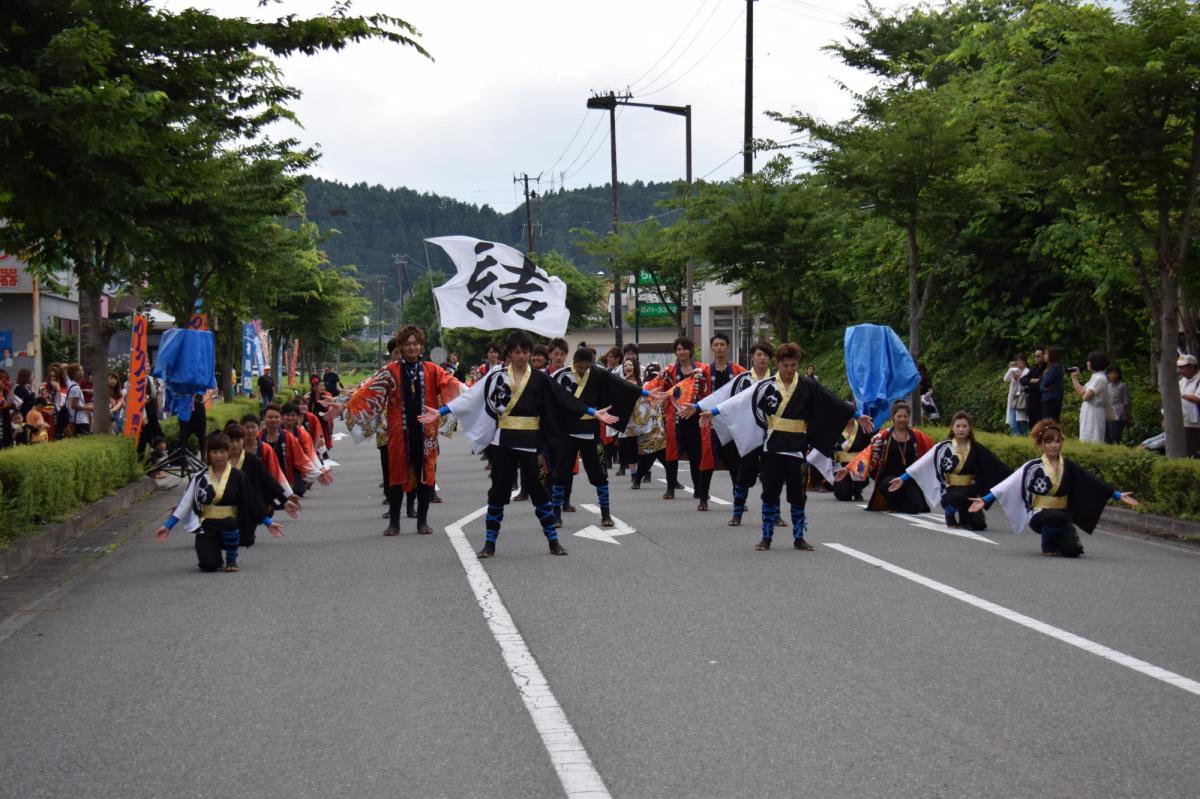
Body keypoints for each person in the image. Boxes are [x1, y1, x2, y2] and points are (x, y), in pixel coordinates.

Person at [420, 330, 618, 558]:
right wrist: (442, 411)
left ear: (530, 353)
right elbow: (471, 396)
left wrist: (592, 412)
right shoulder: (497, 376)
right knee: (497, 493)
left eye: (525, 351)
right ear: (509, 353)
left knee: (540, 493)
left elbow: (564, 398)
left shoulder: (539, 378)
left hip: (531, 442)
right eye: (517, 352)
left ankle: (553, 542)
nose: (521, 356)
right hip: (503, 440)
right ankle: (489, 544)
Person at [703, 342, 873, 552]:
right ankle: (766, 537)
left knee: (798, 494)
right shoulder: (767, 385)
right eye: (785, 366)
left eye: (793, 365)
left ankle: (799, 537)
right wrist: (713, 411)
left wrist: (857, 415)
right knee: (770, 492)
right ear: (778, 364)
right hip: (772, 446)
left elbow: (832, 400)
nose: (790, 369)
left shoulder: (807, 385)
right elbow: (739, 400)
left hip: (797, 445)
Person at [345, 325, 462, 536]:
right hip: (399, 432)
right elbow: (367, 390)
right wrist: (342, 404)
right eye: (407, 344)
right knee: (396, 476)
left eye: (416, 343)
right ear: (400, 346)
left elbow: (453, 385)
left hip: (426, 432)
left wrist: (473, 394)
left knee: (426, 475)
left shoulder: (432, 369)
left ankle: (422, 521)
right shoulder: (390, 371)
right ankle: (394, 522)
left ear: (421, 346)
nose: (412, 347)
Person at [970, 419, 1139, 557]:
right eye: (1049, 441)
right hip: (1039, 514)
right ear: (1041, 444)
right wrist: (985, 500)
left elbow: (1091, 482)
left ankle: (1058, 537)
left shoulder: (1068, 466)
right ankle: (1047, 542)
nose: (1054, 445)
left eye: (1057, 441)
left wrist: (1117, 495)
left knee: (1072, 551)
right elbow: (1008, 484)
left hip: (1062, 513)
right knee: (1053, 517)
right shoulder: (1033, 466)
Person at [549, 347, 652, 528]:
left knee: (600, 473)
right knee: (561, 473)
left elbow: (619, 384)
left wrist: (645, 393)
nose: (583, 370)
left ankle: (606, 514)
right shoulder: (560, 375)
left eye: (586, 367)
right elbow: (560, 400)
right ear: (574, 362)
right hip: (567, 431)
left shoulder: (597, 372)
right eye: (580, 367)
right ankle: (556, 514)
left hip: (590, 430)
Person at [155, 431, 285, 572]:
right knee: (208, 565)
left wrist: (268, 523)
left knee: (229, 523)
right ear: (208, 453)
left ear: (228, 453)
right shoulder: (199, 476)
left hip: (230, 523)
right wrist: (167, 526)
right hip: (207, 524)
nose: (218, 456)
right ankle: (214, 555)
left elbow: (252, 500)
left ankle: (231, 558)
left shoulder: (238, 476)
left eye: (222, 452)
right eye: (214, 452)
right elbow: (185, 502)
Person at [696, 339, 774, 526]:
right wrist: (700, 407)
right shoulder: (743, 378)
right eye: (758, 354)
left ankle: (774, 513)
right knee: (742, 473)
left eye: (765, 355)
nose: (762, 358)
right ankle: (736, 512)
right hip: (746, 432)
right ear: (752, 357)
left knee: (772, 475)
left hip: (771, 433)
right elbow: (726, 399)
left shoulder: (775, 380)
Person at [889, 411, 1010, 530]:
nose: (961, 429)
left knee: (977, 525)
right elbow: (921, 464)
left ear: (969, 429)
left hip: (970, 490)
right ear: (952, 428)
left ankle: (964, 516)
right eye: (958, 426)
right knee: (957, 497)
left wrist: (1013, 480)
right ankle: (949, 513)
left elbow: (995, 466)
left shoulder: (976, 448)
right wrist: (902, 478)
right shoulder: (943, 447)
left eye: (964, 426)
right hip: (950, 489)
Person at [646, 337, 715, 510]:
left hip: (696, 416)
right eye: (678, 349)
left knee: (696, 453)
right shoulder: (669, 370)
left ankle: (698, 489)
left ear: (691, 350)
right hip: (674, 417)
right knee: (671, 452)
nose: (682, 352)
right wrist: (651, 394)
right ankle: (670, 488)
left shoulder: (702, 370)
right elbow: (654, 386)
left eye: (685, 348)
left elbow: (709, 392)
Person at [844, 400, 934, 514]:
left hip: (908, 477)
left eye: (905, 416)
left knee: (915, 508)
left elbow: (933, 452)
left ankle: (904, 502)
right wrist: (847, 468)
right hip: (888, 478)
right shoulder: (883, 435)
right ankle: (892, 503)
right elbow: (867, 453)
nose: (902, 419)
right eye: (899, 416)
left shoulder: (917, 435)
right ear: (893, 417)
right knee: (888, 486)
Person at [224, 422, 300, 546]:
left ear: (243, 440)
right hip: (224, 505)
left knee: (244, 540)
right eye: (231, 441)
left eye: (238, 440)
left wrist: (284, 500)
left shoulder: (252, 460)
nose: (235, 444)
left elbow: (268, 480)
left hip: (247, 505)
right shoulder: (219, 460)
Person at [1071, 351, 1113, 443]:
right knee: (1086, 434)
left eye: (1089, 361)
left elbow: (1086, 396)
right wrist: (1074, 379)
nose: (1087, 363)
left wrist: (1084, 394)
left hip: (1094, 411)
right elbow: (1082, 391)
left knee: (1092, 436)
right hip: (1090, 410)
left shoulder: (1099, 378)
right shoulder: (1095, 377)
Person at [1003, 353, 1030, 436]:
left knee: (1022, 422)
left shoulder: (1027, 371)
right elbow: (1005, 379)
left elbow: (1024, 385)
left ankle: (1022, 437)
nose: (1018, 362)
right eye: (1016, 360)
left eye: (1020, 360)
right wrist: (1010, 369)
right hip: (1013, 400)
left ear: (1024, 361)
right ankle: (1016, 437)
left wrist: (1017, 378)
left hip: (1022, 400)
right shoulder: (1015, 370)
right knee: (1012, 422)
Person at [1179, 354, 1200, 457]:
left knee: (1193, 452)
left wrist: (1181, 395)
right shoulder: (1182, 381)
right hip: (1183, 422)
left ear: (1192, 367)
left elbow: (1198, 399)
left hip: (1196, 424)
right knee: (1183, 451)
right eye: (1179, 367)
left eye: (1183, 367)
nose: (1180, 370)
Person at [1105, 367, 1130, 445]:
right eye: (1110, 374)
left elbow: (1127, 403)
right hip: (1108, 414)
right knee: (1107, 436)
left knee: (1115, 436)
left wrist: (1128, 417)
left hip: (1118, 413)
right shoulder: (1107, 386)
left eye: (1114, 373)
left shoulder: (1122, 386)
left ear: (1119, 375)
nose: (1112, 376)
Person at [65, 363, 92, 436]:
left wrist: (86, 405)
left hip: (75, 419)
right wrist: (89, 408)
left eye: (82, 370)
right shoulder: (76, 387)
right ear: (73, 373)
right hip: (80, 420)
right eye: (79, 370)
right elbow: (74, 405)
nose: (82, 372)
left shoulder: (71, 386)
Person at [1020, 348, 1046, 424]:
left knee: (1041, 422)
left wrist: (1029, 384)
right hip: (1031, 400)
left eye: (1038, 356)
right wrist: (1031, 380)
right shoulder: (1033, 368)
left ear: (1043, 356)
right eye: (1035, 356)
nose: (1036, 358)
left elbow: (1041, 383)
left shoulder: (1047, 369)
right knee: (1032, 423)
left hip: (1041, 400)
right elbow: (1022, 380)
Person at [1040, 346, 1065, 422]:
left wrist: (1042, 386)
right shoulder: (1050, 367)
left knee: (1049, 421)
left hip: (1051, 398)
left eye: (1046, 354)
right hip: (1048, 397)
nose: (1044, 356)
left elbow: (1044, 382)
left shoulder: (1055, 367)